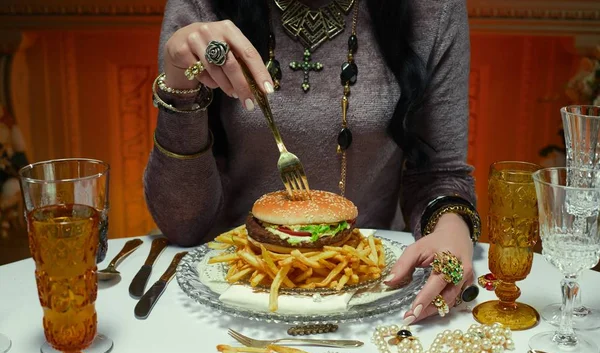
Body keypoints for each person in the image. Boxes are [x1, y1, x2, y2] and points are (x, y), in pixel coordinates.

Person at [144, 0, 481, 324]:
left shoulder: (433, 8)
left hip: (369, 293)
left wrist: (452, 229)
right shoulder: (200, 8)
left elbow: (439, 173)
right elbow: (182, 225)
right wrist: (180, 87)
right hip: (226, 291)